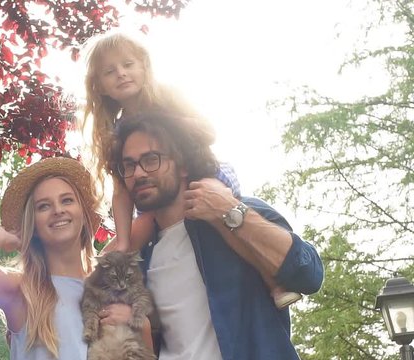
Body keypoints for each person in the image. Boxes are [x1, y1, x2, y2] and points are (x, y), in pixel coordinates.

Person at [81, 30, 300, 308]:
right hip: (157, 196)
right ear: (99, 85)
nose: (121, 74)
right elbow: (122, 191)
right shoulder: (116, 132)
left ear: (144, 66)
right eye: (110, 71)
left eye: (128, 65)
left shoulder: (166, 97)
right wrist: (122, 240)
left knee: (220, 222)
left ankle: (271, 278)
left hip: (202, 174)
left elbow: (209, 132)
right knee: (128, 248)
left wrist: (165, 121)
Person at [110, 112, 324, 359]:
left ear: (183, 164)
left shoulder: (235, 214)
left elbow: (308, 274)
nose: (138, 173)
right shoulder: (141, 256)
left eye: (151, 159)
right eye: (129, 165)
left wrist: (230, 213)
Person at [0, 157, 153, 359]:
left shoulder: (103, 282)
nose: (58, 210)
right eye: (43, 206)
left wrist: (141, 325)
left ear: (84, 214)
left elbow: (151, 217)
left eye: (67, 200)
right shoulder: (25, 291)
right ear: (34, 225)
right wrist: (3, 235)